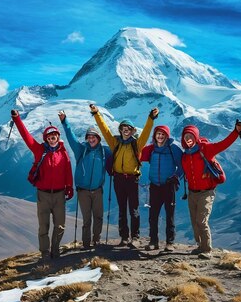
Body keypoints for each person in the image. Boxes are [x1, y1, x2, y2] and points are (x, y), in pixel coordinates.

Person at [89, 104, 158, 248]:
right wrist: (96, 114)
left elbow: (145, 133)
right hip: (118, 179)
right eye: (123, 128)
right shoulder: (115, 143)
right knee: (121, 209)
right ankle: (124, 237)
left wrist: (151, 118)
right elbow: (105, 130)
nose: (125, 131)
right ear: (120, 130)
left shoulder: (137, 144)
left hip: (132, 180)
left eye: (128, 129)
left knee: (134, 209)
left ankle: (135, 237)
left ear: (132, 131)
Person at [11, 109, 74, 259]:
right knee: (43, 226)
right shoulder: (39, 150)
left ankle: (55, 249)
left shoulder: (63, 153)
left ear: (58, 138)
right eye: (49, 137)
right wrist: (17, 119)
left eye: (54, 137)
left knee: (60, 225)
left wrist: (69, 187)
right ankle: (45, 252)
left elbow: (68, 171)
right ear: (46, 139)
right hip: (43, 195)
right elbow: (26, 137)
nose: (52, 139)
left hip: (59, 194)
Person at [181, 121, 241, 259]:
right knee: (194, 221)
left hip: (206, 192)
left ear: (196, 137)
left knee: (201, 220)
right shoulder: (185, 154)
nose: (188, 139)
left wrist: (236, 132)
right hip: (192, 192)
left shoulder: (206, 149)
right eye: (186, 137)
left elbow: (223, 144)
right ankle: (200, 246)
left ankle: (207, 250)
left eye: (191, 136)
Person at [58, 110, 111, 250]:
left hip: (98, 190)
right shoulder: (81, 150)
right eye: (89, 137)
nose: (91, 139)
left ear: (98, 138)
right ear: (87, 138)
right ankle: (86, 243)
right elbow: (71, 138)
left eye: (94, 137)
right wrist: (64, 122)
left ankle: (96, 240)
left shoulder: (105, 151)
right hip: (83, 191)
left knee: (98, 217)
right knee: (87, 219)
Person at [140, 125, 183, 252]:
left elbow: (182, 165)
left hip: (168, 186)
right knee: (153, 215)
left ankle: (170, 242)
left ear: (167, 136)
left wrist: (176, 177)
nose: (160, 136)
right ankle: (154, 241)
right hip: (154, 186)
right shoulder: (151, 148)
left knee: (169, 215)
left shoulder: (173, 148)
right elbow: (138, 155)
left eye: (163, 134)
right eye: (158, 134)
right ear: (155, 136)